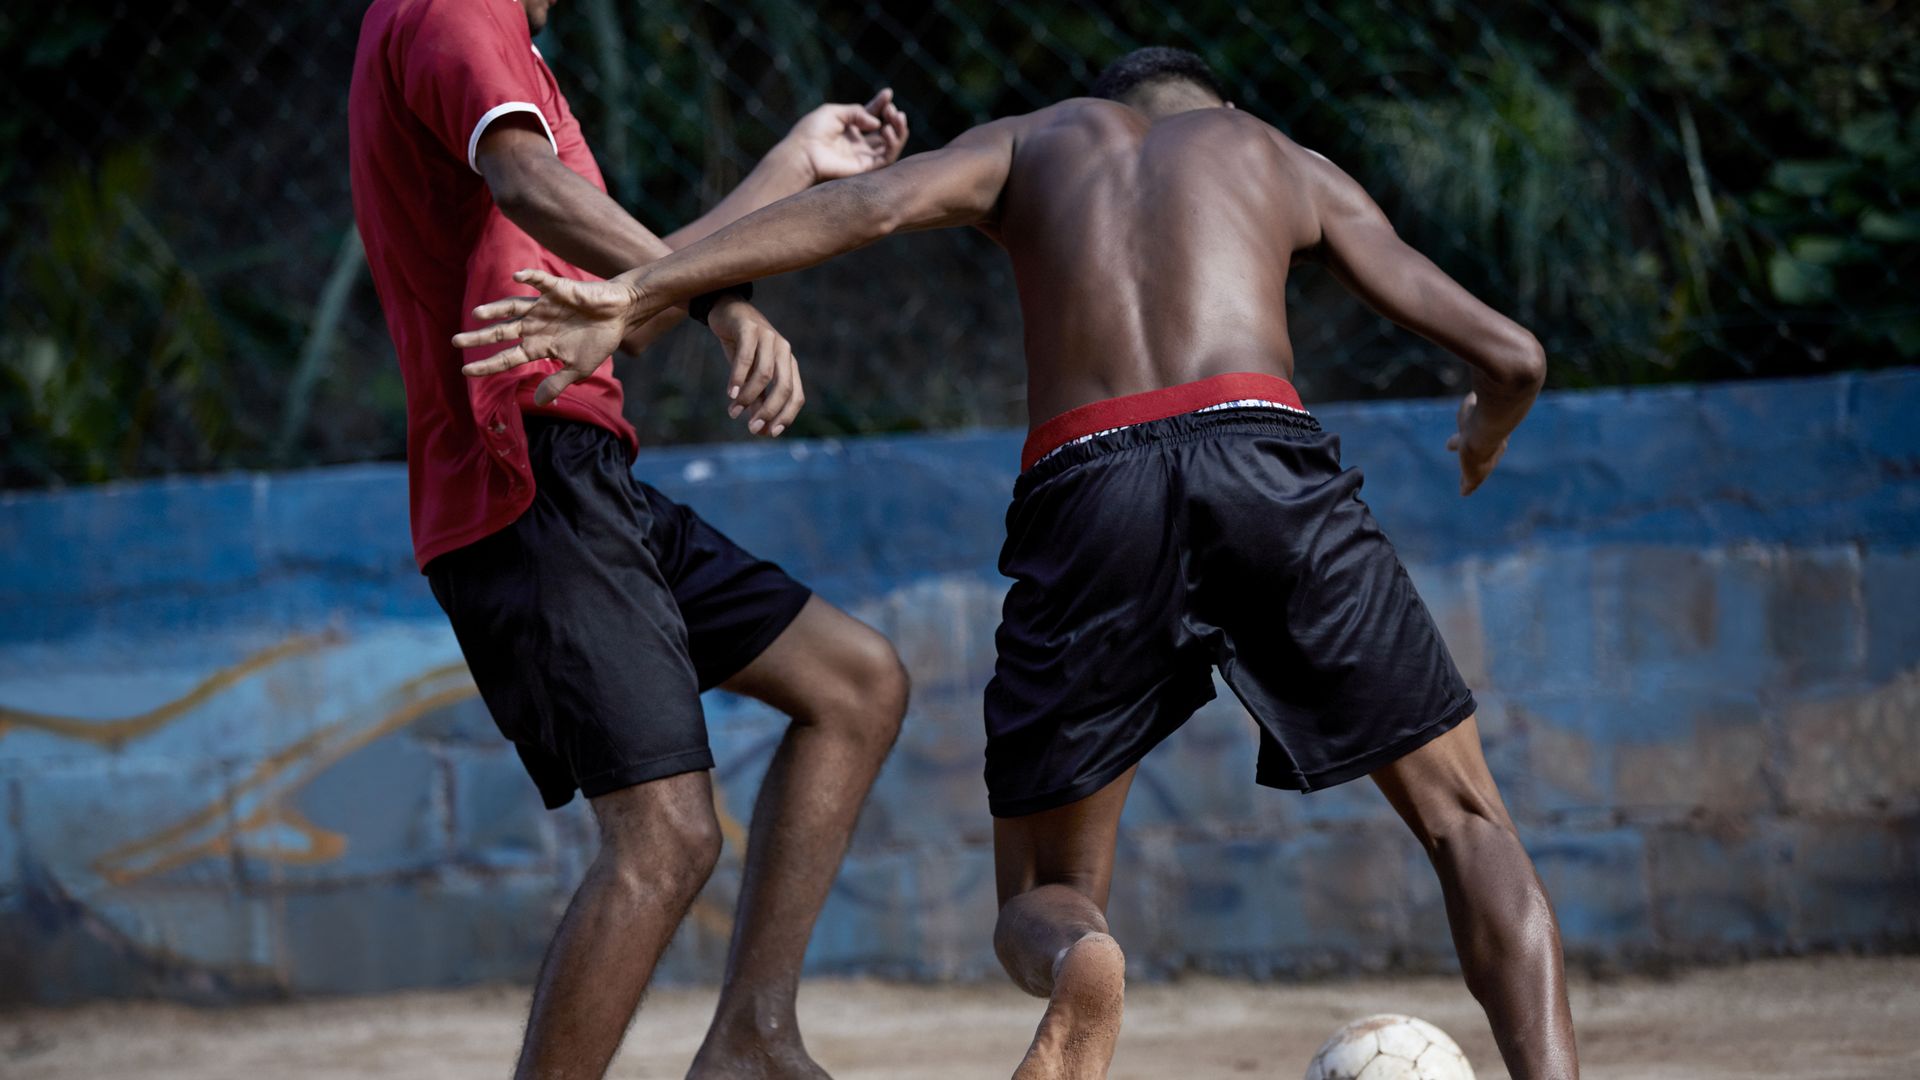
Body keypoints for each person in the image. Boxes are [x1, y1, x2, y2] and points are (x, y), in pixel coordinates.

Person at [454, 45, 1578, 1080]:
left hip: (1091, 485)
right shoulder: (1278, 156)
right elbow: (1516, 357)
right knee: (1468, 825)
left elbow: (871, 206)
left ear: (1104, 106)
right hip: (1267, 459)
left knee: (1043, 892)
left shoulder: (1034, 139)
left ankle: (1080, 958)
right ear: (1219, 109)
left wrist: (639, 289)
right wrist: (1485, 427)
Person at [347, 1, 913, 1077]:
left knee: (855, 684)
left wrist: (793, 166)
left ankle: (751, 1039)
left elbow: (626, 306)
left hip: (586, 476)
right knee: (664, 837)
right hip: (529, 480)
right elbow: (534, 189)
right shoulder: (457, 13)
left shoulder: (514, 64)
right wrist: (725, 307)